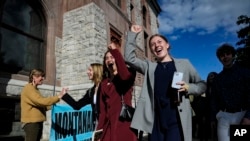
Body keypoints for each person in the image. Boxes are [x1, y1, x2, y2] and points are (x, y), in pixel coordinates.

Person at [124, 25, 206, 141]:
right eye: (153, 44)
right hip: (155, 121)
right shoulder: (149, 67)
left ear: (167, 45)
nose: (156, 45)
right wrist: (132, 35)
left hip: (176, 119)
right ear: (152, 51)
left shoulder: (184, 64)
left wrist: (188, 87)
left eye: (159, 42)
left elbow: (202, 85)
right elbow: (129, 58)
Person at [96, 38, 137, 141]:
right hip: (108, 127)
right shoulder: (103, 83)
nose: (109, 60)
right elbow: (102, 111)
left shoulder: (127, 75)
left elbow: (125, 76)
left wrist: (116, 51)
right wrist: (98, 132)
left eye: (112, 57)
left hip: (124, 124)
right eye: (107, 58)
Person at [210, 44, 250, 141]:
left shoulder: (245, 73)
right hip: (224, 117)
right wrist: (213, 117)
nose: (225, 57)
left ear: (232, 55)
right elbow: (214, 99)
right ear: (219, 59)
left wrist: (248, 116)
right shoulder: (218, 79)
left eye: (228, 54)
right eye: (222, 55)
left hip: (242, 115)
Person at [21, 68, 65, 141]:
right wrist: (58, 96)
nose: (43, 78)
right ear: (34, 76)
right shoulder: (28, 88)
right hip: (31, 124)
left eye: (43, 76)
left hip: (37, 122)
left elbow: (42, 105)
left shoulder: (35, 89)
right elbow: (41, 101)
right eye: (41, 76)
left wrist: (54, 106)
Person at [61, 63, 103, 130]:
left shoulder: (106, 86)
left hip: (108, 124)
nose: (87, 72)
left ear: (96, 71)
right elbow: (77, 105)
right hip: (97, 124)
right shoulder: (90, 91)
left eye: (90, 70)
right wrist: (65, 95)